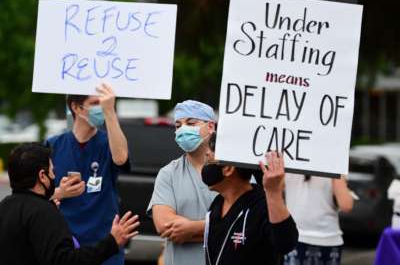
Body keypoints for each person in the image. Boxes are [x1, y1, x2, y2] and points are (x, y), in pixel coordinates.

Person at [0, 143, 140, 265]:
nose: (54, 176)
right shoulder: (43, 212)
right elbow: (66, 260)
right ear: (42, 176)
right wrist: (112, 242)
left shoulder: (5, 206)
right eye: (52, 171)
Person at [46, 83, 130, 265]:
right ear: (76, 107)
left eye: (104, 103)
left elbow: (121, 158)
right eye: (95, 103)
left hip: (105, 244)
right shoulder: (53, 145)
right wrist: (60, 192)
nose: (101, 107)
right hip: (66, 245)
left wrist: (110, 113)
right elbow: (33, 194)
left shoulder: (109, 143)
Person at [201, 133, 299, 265]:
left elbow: (286, 243)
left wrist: (274, 192)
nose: (204, 166)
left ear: (228, 168)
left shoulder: (262, 206)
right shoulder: (217, 203)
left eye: (208, 159)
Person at [147, 100, 218, 265]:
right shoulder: (169, 174)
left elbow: (244, 225)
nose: (183, 130)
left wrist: (191, 229)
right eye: (178, 125)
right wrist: (218, 229)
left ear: (211, 127)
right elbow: (165, 226)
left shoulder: (232, 171)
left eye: (191, 123)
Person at [283, 173, 354, 265]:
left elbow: (346, 206)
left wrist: (336, 171)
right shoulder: (289, 164)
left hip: (328, 239)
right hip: (295, 238)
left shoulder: (335, 164)